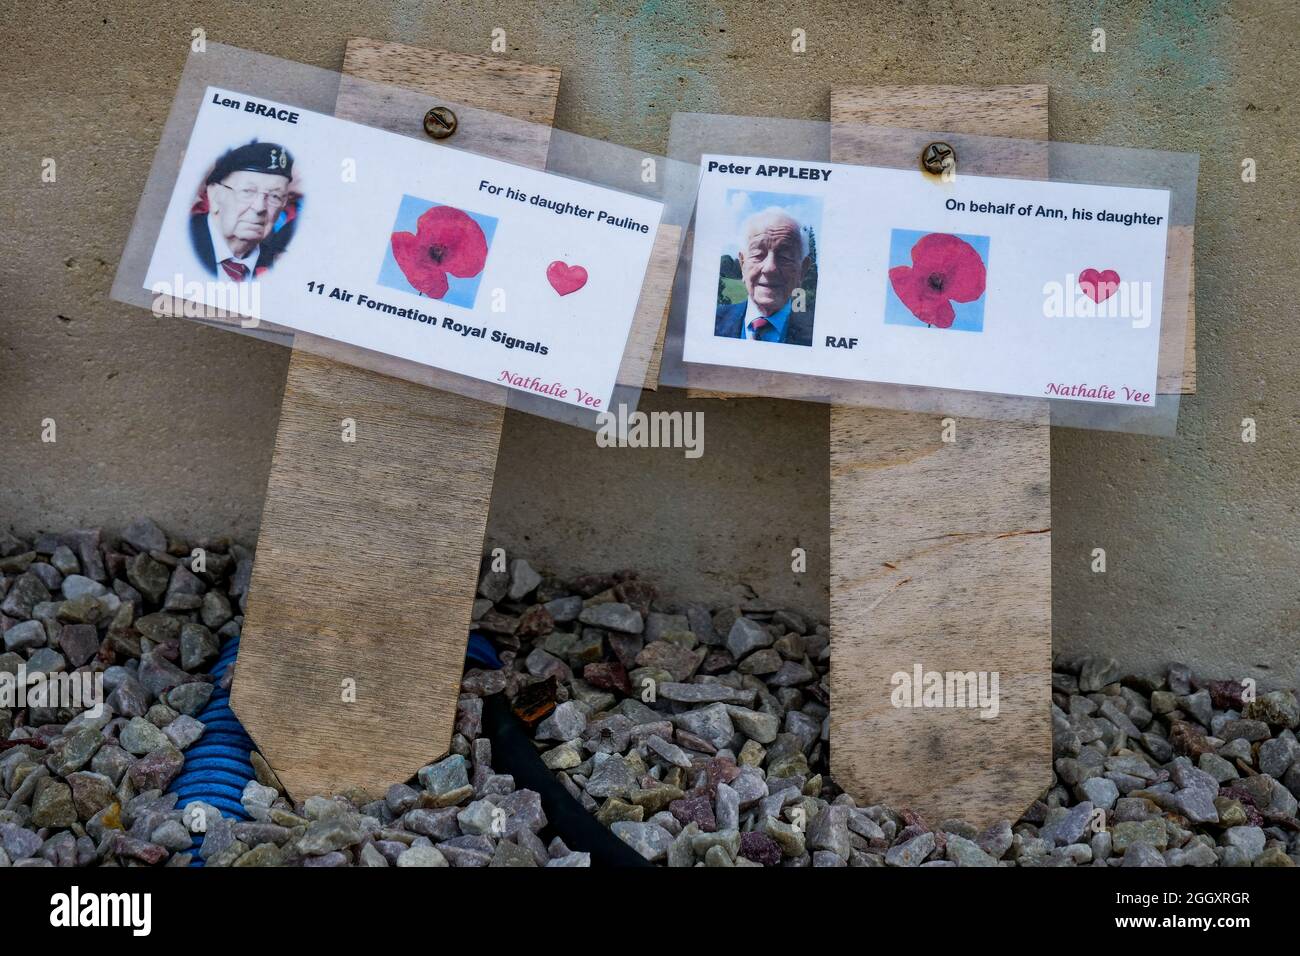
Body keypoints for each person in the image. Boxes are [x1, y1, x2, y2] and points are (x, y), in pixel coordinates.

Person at [189, 141, 296, 280]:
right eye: (247, 191)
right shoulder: (178, 240)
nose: (259, 207)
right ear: (215, 196)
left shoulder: (277, 265)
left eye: (274, 196)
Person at [714, 207, 814, 346]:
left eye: (784, 256)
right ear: (743, 264)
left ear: (802, 270)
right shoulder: (713, 322)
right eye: (758, 255)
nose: (769, 268)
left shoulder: (816, 334)